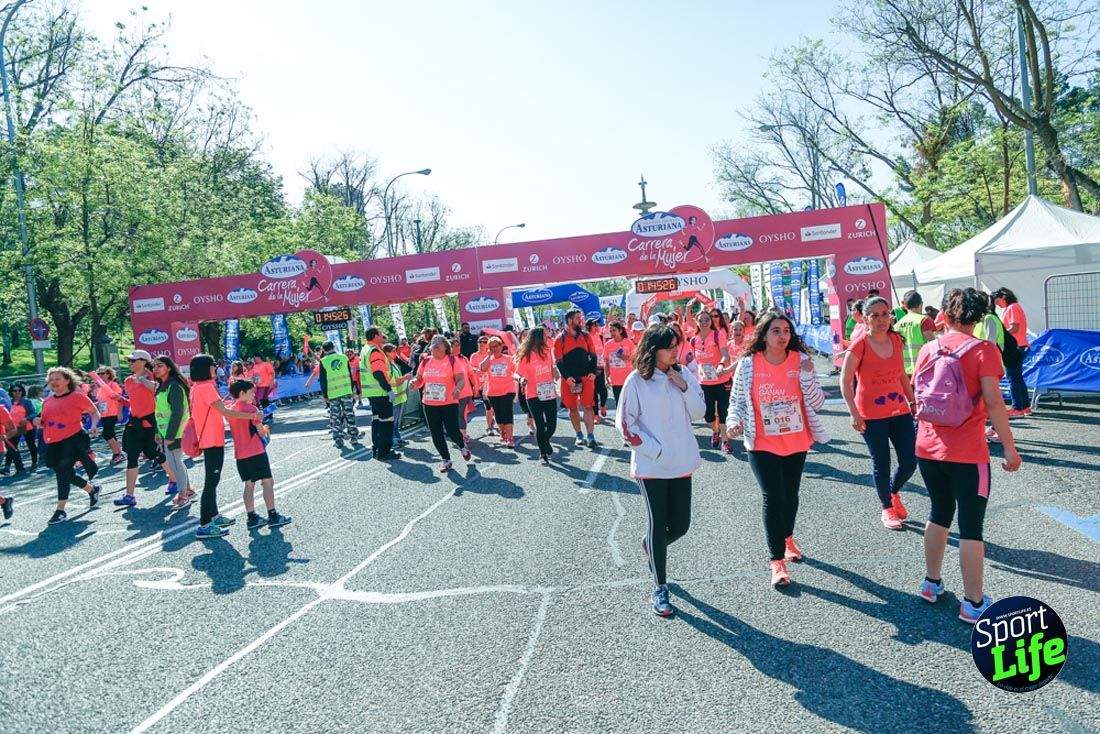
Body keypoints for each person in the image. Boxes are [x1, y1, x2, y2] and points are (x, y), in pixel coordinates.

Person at [912, 288, 1021, 623]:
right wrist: (1009, 446)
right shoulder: (984, 350)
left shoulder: (930, 348)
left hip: (927, 447)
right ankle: (973, 602)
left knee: (939, 512)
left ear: (945, 314)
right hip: (967, 452)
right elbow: (993, 401)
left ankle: (931, 583)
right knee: (972, 527)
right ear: (979, 317)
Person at [727, 311, 828, 587]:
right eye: (776, 331)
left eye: (786, 331)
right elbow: (736, 402)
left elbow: (818, 403)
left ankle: (788, 538)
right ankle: (776, 561)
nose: (782, 336)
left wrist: (807, 378)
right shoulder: (748, 364)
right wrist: (734, 422)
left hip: (796, 440)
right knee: (773, 496)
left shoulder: (802, 361)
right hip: (762, 442)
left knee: (790, 494)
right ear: (763, 334)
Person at [616, 324, 705, 618]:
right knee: (657, 523)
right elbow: (626, 425)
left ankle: (652, 546)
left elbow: (699, 413)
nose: (674, 351)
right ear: (653, 349)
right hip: (651, 466)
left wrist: (683, 385)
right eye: (669, 346)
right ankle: (660, 587)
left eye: (676, 345)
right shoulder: (636, 381)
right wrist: (655, 450)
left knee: (680, 526)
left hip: (681, 463)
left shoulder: (684, 374)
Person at [840, 297, 917, 530]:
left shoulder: (896, 339)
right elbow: (845, 381)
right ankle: (886, 508)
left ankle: (893, 492)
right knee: (881, 462)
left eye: (885, 314)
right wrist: (854, 413)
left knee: (910, 461)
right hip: (871, 414)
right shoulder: (860, 345)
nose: (881, 319)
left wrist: (912, 401)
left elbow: (902, 375)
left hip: (899, 410)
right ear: (865, 319)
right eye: (874, 315)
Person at [189, 354, 261, 539]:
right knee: (211, 481)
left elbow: (219, 407)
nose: (216, 368)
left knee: (213, 479)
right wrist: (252, 416)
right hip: (212, 439)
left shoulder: (197, 387)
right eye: (213, 365)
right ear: (206, 368)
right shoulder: (206, 387)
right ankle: (205, 523)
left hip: (209, 438)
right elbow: (226, 411)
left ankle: (214, 515)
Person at [37, 368, 101, 525]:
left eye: (57, 378)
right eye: (51, 379)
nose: (53, 382)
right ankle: (92, 490)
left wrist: (93, 425)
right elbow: (43, 421)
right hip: (54, 443)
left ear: (67, 380)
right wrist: (37, 422)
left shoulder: (77, 397)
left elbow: (95, 412)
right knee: (67, 474)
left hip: (73, 440)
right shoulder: (48, 401)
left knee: (63, 472)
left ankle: (60, 510)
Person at [227, 379, 292, 530]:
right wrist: (266, 429)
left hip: (240, 453)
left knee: (249, 485)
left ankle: (251, 517)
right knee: (267, 482)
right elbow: (260, 431)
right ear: (242, 393)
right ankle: (273, 514)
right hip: (256, 451)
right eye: (251, 393)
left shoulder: (230, 410)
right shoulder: (251, 409)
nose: (254, 396)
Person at [115, 350, 175, 507]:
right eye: (129, 361)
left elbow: (158, 391)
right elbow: (134, 401)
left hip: (151, 424)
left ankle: (173, 479)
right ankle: (129, 495)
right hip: (134, 424)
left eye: (133, 360)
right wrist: (122, 402)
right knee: (132, 456)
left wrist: (144, 380)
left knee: (155, 454)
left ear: (143, 361)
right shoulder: (128, 381)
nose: (130, 363)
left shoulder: (155, 378)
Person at [411, 335, 472, 472]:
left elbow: (461, 379)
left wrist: (458, 388)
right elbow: (420, 379)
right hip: (429, 403)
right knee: (436, 432)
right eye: (433, 342)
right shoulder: (426, 361)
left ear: (445, 347)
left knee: (452, 430)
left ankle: (462, 446)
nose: (435, 344)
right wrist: (414, 383)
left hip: (449, 402)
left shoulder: (452, 360)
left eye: (439, 342)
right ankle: (446, 459)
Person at [687, 309, 735, 453]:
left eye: (707, 319)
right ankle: (715, 431)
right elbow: (695, 360)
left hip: (722, 379)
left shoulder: (717, 335)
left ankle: (725, 441)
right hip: (704, 382)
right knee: (707, 414)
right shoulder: (694, 340)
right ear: (697, 322)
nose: (704, 322)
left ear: (711, 321)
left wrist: (721, 365)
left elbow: (725, 354)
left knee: (723, 411)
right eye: (701, 320)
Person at [151, 357, 194, 509]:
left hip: (176, 432)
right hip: (166, 432)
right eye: (154, 366)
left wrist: (169, 435)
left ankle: (183, 494)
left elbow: (177, 412)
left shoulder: (174, 386)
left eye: (160, 366)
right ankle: (188, 490)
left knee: (175, 463)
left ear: (169, 368)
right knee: (176, 462)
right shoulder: (162, 386)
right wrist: (158, 432)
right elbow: (159, 412)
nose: (155, 368)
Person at [554, 308, 599, 449]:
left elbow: (593, 355)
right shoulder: (559, 339)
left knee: (588, 407)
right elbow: (559, 361)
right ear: (569, 320)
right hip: (569, 380)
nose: (581, 320)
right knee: (572, 408)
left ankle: (591, 436)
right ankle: (579, 435)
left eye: (581, 317)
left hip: (586, 377)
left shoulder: (586, 336)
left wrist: (592, 371)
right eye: (578, 318)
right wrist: (567, 377)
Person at [515, 327, 561, 465]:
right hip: (533, 394)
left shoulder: (547, 352)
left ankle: (545, 441)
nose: (547, 338)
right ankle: (543, 454)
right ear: (537, 338)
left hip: (548, 393)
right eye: (545, 336)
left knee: (552, 425)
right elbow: (516, 373)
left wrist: (555, 370)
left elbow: (554, 370)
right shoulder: (526, 355)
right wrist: (521, 379)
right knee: (540, 425)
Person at [303, 341, 361, 450]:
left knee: (335, 417)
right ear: (334, 347)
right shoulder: (344, 358)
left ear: (324, 350)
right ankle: (354, 437)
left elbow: (323, 381)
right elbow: (349, 375)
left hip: (332, 393)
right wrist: (352, 391)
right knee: (349, 414)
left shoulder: (323, 361)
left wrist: (325, 396)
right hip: (346, 391)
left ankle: (338, 439)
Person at [361, 328, 401, 461]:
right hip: (380, 391)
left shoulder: (365, 348)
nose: (382, 336)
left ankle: (377, 449)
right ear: (375, 336)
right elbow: (378, 372)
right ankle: (384, 451)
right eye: (379, 334)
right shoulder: (375, 351)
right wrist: (388, 389)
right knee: (386, 422)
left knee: (377, 420)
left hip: (372, 392)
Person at [991, 288, 1030, 416]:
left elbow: (1014, 327)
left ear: (1003, 297)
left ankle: (1017, 408)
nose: (997, 304)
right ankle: (1024, 407)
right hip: (1021, 345)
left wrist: (1002, 334)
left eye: (997, 301)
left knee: (1013, 378)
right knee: (1017, 378)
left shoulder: (1012, 308)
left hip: (1015, 347)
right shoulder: (1014, 307)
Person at [479, 336, 517, 448]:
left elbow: (516, 371)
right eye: (491, 347)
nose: (494, 348)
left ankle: (510, 438)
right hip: (493, 392)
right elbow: (482, 368)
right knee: (499, 415)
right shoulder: (489, 359)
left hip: (508, 390)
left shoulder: (508, 359)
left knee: (507, 414)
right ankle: (502, 432)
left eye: (496, 346)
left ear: (501, 346)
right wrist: (489, 355)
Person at [895, 291, 936, 377]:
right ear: (921, 304)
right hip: (922, 369)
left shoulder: (897, 325)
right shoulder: (924, 320)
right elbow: (934, 346)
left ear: (905, 306)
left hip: (904, 372)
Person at [91, 368, 125, 465]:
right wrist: (94, 404)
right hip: (104, 414)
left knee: (107, 434)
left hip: (113, 412)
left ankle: (117, 454)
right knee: (111, 434)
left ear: (108, 374)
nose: (100, 375)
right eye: (98, 374)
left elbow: (119, 398)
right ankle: (119, 453)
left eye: (102, 373)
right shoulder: (100, 387)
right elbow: (102, 400)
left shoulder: (113, 385)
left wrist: (120, 412)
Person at [383, 344, 412, 446]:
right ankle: (394, 440)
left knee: (396, 422)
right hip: (394, 397)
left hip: (398, 397)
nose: (395, 353)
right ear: (387, 353)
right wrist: (404, 378)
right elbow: (392, 382)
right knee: (393, 421)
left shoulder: (393, 363)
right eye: (393, 351)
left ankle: (398, 438)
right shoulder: (388, 365)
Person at [4, 384, 37, 473]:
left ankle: (34, 463)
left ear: (22, 391)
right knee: (12, 446)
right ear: (11, 392)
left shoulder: (26, 401)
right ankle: (7, 466)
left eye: (19, 390)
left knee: (31, 444)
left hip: (26, 426)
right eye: (15, 391)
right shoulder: (8, 402)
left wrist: (26, 419)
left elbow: (34, 413)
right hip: (14, 427)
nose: (17, 392)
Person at [602, 321, 636, 408]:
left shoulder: (628, 343)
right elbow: (606, 361)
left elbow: (636, 359)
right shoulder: (607, 345)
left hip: (628, 378)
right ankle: (620, 420)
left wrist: (625, 357)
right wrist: (606, 377)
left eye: (614, 330)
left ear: (620, 331)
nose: (612, 333)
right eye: (611, 331)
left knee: (629, 402)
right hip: (615, 379)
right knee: (618, 402)